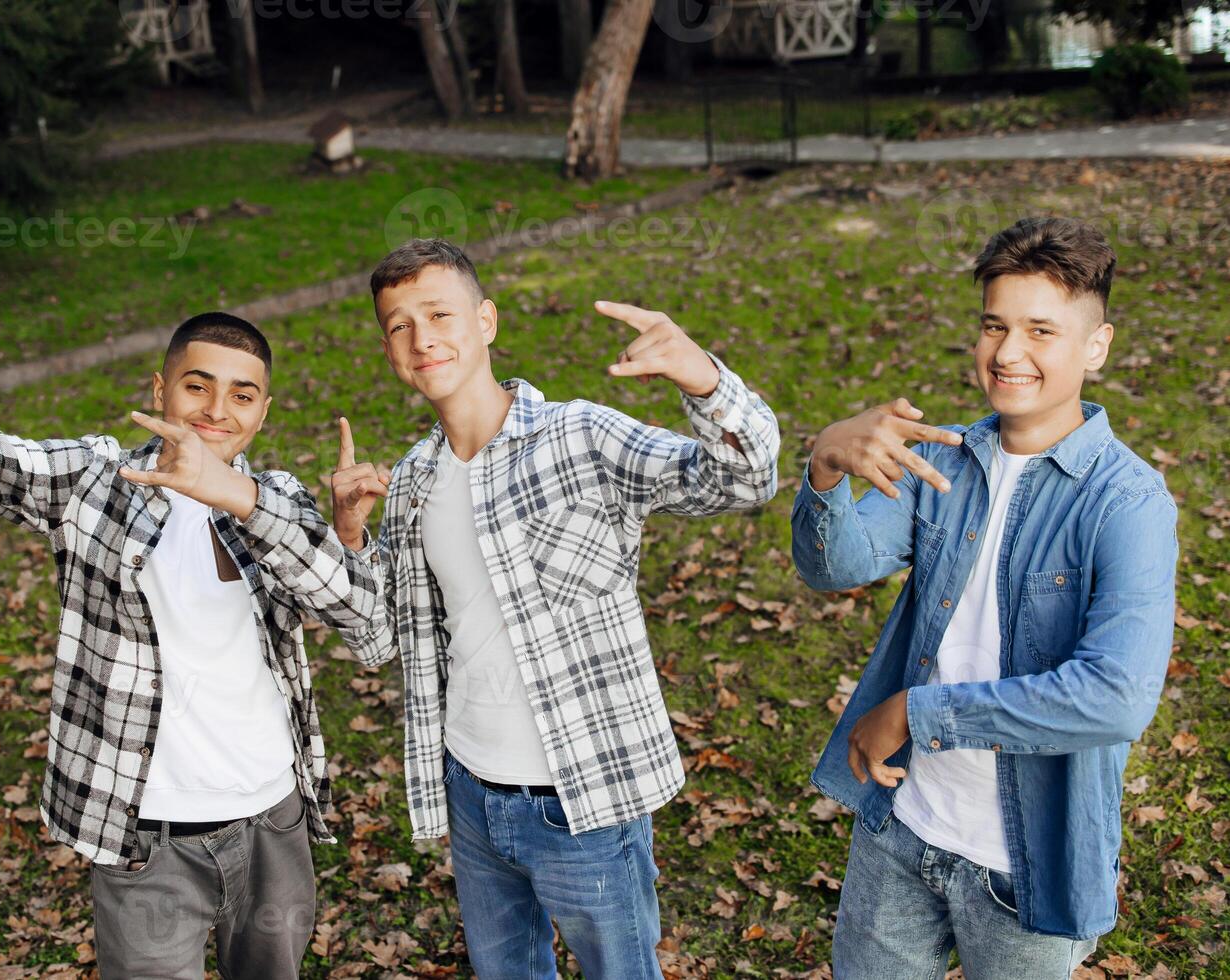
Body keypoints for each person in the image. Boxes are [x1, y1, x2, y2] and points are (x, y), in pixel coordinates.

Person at [0, 229, 378, 979]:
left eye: (242, 395)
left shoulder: (275, 501)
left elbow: (365, 624)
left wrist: (290, 517)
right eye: (197, 385)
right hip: (148, 837)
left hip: (273, 822)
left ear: (264, 413)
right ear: (159, 390)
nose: (217, 410)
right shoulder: (94, 481)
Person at [328, 238, 781, 978]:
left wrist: (703, 382)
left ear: (487, 322)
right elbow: (379, 639)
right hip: (472, 792)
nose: (421, 337)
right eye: (399, 325)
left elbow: (744, 479)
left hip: (583, 798)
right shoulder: (411, 481)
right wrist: (350, 534)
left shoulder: (579, 437)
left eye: (439, 313)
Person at [791, 216, 1178, 978]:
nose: (1007, 353)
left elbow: (1115, 698)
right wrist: (826, 468)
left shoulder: (1128, 503)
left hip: (1025, 866)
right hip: (901, 829)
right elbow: (834, 567)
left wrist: (916, 712)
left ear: (1095, 348)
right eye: (994, 326)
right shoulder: (950, 460)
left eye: (1042, 331)